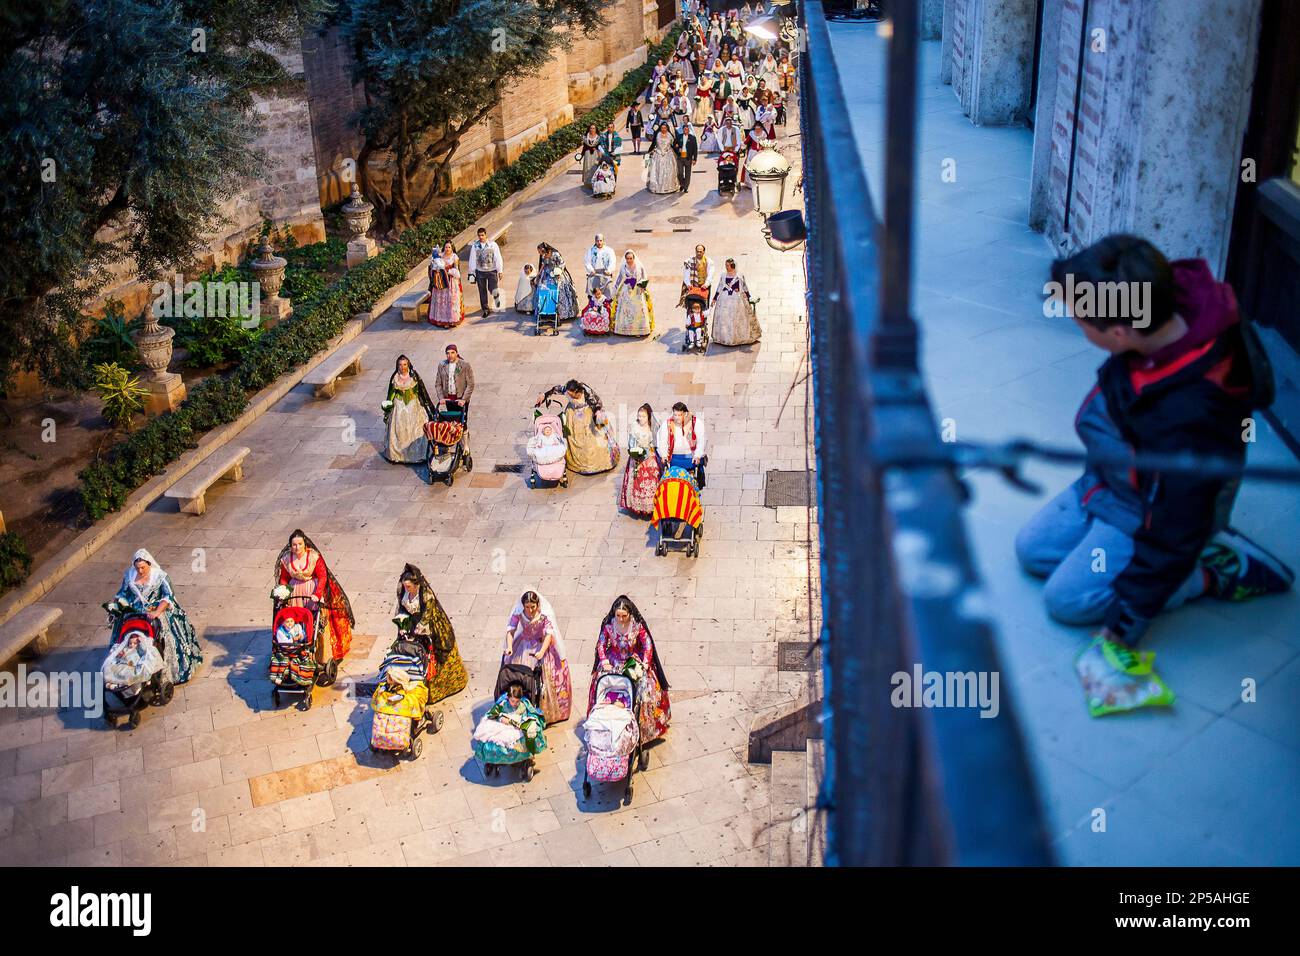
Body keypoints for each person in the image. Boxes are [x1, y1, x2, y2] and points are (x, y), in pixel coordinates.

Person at [1015, 235, 1293, 708]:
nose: (1076, 324)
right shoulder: (1160, 301)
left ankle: (1212, 569)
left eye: (1080, 319)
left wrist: (1125, 624)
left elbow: (1174, 524)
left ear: (1120, 333)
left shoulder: (1192, 415)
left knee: (1067, 602)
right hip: (1114, 480)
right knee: (1032, 550)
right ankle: (1156, 543)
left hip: (1153, 509)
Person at [109, 549, 202, 685]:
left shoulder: (160, 577)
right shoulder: (129, 575)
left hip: (155, 611)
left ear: (149, 564)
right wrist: (115, 606)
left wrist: (157, 612)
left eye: (143, 568)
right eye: (137, 568)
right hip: (134, 613)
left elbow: (168, 596)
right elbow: (122, 594)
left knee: (160, 636)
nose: (140, 571)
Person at [589, 596, 671, 744]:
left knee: (644, 690)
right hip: (613, 661)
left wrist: (645, 663)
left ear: (630, 614)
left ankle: (643, 729)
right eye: (618, 616)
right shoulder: (609, 626)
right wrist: (604, 661)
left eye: (624, 616)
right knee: (602, 685)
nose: (620, 619)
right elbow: (601, 644)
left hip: (633, 661)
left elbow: (647, 644)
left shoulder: (636, 626)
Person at [275, 530, 354, 672]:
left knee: (317, 623)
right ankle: (296, 652)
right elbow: (284, 578)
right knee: (295, 621)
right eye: (294, 545)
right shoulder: (287, 559)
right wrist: (284, 592)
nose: (297, 547)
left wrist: (317, 594)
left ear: (305, 544)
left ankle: (320, 656)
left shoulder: (313, 557)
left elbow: (322, 576)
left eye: (299, 544)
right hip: (295, 593)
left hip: (312, 591)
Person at [393, 563, 467, 704]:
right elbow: (401, 610)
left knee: (432, 655)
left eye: (408, 586)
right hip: (412, 623)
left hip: (430, 627)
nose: (406, 589)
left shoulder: (427, 596)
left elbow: (426, 616)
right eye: (404, 586)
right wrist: (402, 625)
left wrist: (418, 630)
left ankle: (435, 689)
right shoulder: (404, 593)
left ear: (416, 585)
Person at [503, 590, 572, 724]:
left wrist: (541, 651)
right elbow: (510, 631)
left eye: (532, 607)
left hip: (541, 647)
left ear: (537, 604)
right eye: (527, 607)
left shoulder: (544, 616)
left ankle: (544, 710)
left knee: (544, 680)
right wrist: (510, 646)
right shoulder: (519, 614)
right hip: (524, 647)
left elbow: (548, 635)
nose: (530, 610)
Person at [534, 380, 620, 475]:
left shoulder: (587, 392)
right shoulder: (567, 389)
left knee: (592, 440)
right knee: (573, 437)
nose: (570, 397)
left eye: (572, 395)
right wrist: (544, 395)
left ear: (577, 391)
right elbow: (556, 389)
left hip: (587, 415)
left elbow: (597, 404)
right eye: (569, 395)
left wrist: (598, 413)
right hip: (572, 415)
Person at [381, 354, 435, 463]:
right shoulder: (395, 377)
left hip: (413, 406)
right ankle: (398, 455)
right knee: (399, 430)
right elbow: (391, 393)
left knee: (415, 429)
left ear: (408, 364)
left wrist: (428, 407)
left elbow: (422, 391)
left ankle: (416, 455)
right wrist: (388, 407)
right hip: (399, 406)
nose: (403, 367)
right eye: (400, 365)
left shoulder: (414, 376)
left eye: (405, 364)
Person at [620, 403, 663, 518]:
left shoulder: (653, 427)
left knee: (651, 478)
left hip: (649, 456)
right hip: (637, 457)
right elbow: (631, 442)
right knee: (636, 480)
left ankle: (651, 505)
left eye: (643, 416)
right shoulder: (634, 426)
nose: (641, 418)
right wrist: (634, 452)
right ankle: (637, 505)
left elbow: (656, 443)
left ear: (648, 417)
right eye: (639, 416)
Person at [710, 258, 762, 346]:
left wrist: (749, 297)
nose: (726, 267)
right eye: (725, 265)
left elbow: (744, 287)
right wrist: (715, 298)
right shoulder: (723, 275)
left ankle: (737, 338)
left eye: (728, 265)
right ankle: (724, 338)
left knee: (736, 318)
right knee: (724, 318)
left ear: (732, 266)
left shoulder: (739, 276)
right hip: (724, 299)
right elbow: (719, 287)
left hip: (736, 300)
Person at [656, 401, 708, 478]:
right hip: (673, 459)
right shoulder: (667, 424)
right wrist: (663, 455)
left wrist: (697, 455)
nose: (676, 417)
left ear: (685, 413)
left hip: (690, 458)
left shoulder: (696, 423)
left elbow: (701, 440)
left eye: (679, 415)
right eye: (675, 415)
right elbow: (662, 441)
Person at [612, 249, 655, 337]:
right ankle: (625, 330)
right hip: (626, 291)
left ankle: (639, 330)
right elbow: (619, 279)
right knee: (626, 311)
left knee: (638, 310)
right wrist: (614, 291)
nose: (629, 260)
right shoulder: (623, 267)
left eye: (630, 258)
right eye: (627, 258)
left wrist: (643, 286)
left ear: (633, 258)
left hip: (637, 290)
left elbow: (644, 276)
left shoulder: (639, 266)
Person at [466, 227, 504, 317]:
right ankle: (485, 309)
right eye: (479, 235)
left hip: (492, 271)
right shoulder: (475, 246)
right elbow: (472, 259)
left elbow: (498, 257)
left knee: (493, 288)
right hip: (480, 272)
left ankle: (497, 299)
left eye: (482, 235)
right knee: (482, 291)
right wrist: (471, 272)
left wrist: (500, 270)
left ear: (486, 235)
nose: (481, 237)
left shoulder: (493, 245)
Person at [535, 242, 578, 320]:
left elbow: (562, 263)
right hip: (547, 274)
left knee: (559, 291)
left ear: (543, 249)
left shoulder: (555, 254)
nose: (539, 253)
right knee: (545, 290)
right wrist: (539, 274)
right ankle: (546, 311)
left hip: (557, 274)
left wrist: (558, 272)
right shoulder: (543, 255)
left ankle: (562, 313)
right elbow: (543, 265)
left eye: (539, 251)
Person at [428, 241, 464, 327]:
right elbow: (433, 266)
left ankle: (452, 319)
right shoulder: (440, 256)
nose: (447, 249)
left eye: (449, 247)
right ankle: (442, 320)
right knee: (441, 301)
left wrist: (448, 271)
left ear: (452, 248)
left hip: (451, 282)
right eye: (446, 247)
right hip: (441, 281)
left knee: (450, 301)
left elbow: (457, 271)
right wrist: (436, 269)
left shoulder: (455, 257)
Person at [645, 123, 679, 195]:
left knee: (668, 171)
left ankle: (668, 187)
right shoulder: (657, 135)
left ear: (667, 128)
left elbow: (673, 145)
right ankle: (657, 187)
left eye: (665, 128)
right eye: (662, 128)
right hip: (658, 155)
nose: (663, 129)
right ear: (660, 128)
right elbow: (653, 144)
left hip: (668, 155)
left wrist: (678, 152)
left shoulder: (670, 136)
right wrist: (648, 153)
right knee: (657, 171)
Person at [584, 233, 617, 297]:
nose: (599, 242)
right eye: (597, 241)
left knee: (608, 294)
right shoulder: (590, 250)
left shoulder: (609, 250)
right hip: (594, 274)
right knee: (593, 295)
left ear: (603, 241)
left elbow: (612, 261)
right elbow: (587, 261)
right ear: (595, 241)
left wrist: (609, 270)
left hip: (605, 274)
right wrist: (591, 270)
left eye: (600, 240)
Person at [674, 122, 699, 193]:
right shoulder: (679, 136)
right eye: (685, 129)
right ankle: (682, 184)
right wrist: (677, 148)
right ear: (683, 130)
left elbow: (695, 149)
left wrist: (695, 159)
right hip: (680, 157)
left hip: (688, 158)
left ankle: (686, 187)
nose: (686, 131)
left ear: (689, 130)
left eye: (687, 129)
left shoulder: (692, 138)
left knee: (688, 174)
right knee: (680, 173)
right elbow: (674, 144)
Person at [579, 123, 602, 188]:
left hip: (595, 154)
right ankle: (587, 183)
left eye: (593, 128)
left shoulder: (598, 138)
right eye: (591, 128)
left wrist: (598, 151)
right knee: (587, 167)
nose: (592, 129)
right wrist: (581, 156)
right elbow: (584, 147)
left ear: (596, 129)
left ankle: (594, 182)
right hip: (587, 154)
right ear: (589, 129)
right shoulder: (586, 137)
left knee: (594, 167)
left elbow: (600, 147)